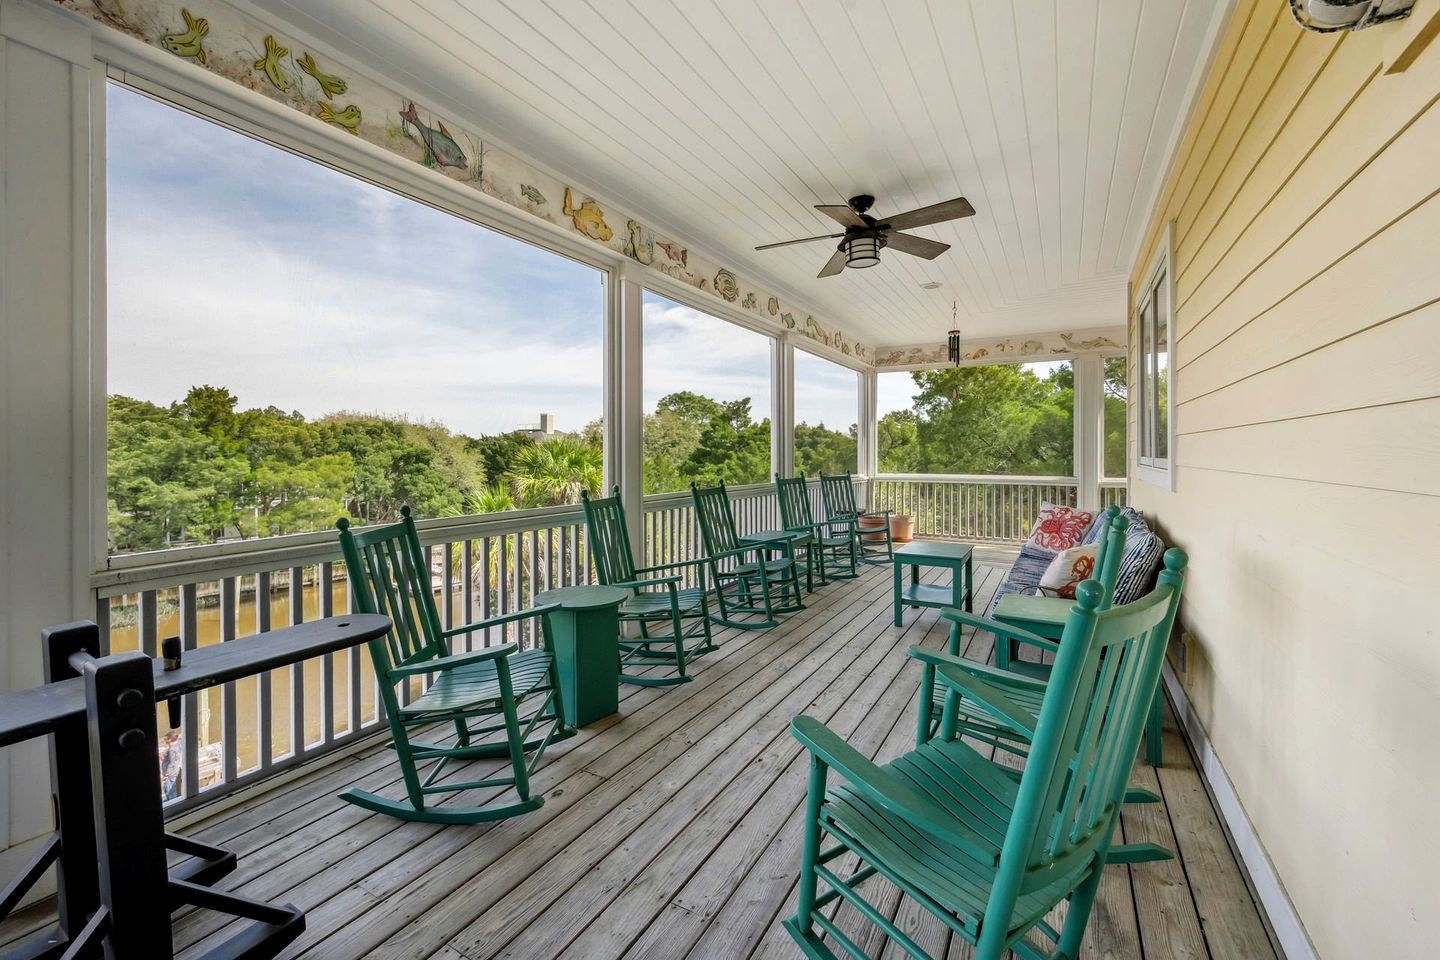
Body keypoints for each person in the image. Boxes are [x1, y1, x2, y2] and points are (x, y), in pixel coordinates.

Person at [159, 729, 183, 801]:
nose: (164, 740)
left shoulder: (172, 750)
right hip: (176, 770)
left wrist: (166, 775)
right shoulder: (178, 745)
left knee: (169, 791)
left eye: (165, 739)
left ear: (170, 739)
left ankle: (172, 803)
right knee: (173, 789)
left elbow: (171, 763)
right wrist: (163, 755)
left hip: (170, 773)